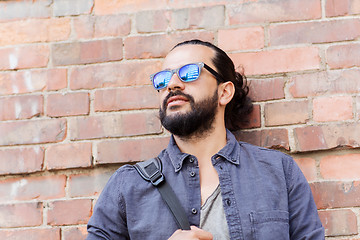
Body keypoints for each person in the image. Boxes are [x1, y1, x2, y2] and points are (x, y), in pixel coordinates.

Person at [86, 39, 325, 240]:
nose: (172, 84)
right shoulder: (127, 187)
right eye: (162, 79)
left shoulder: (278, 173)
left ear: (224, 92)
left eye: (189, 72)